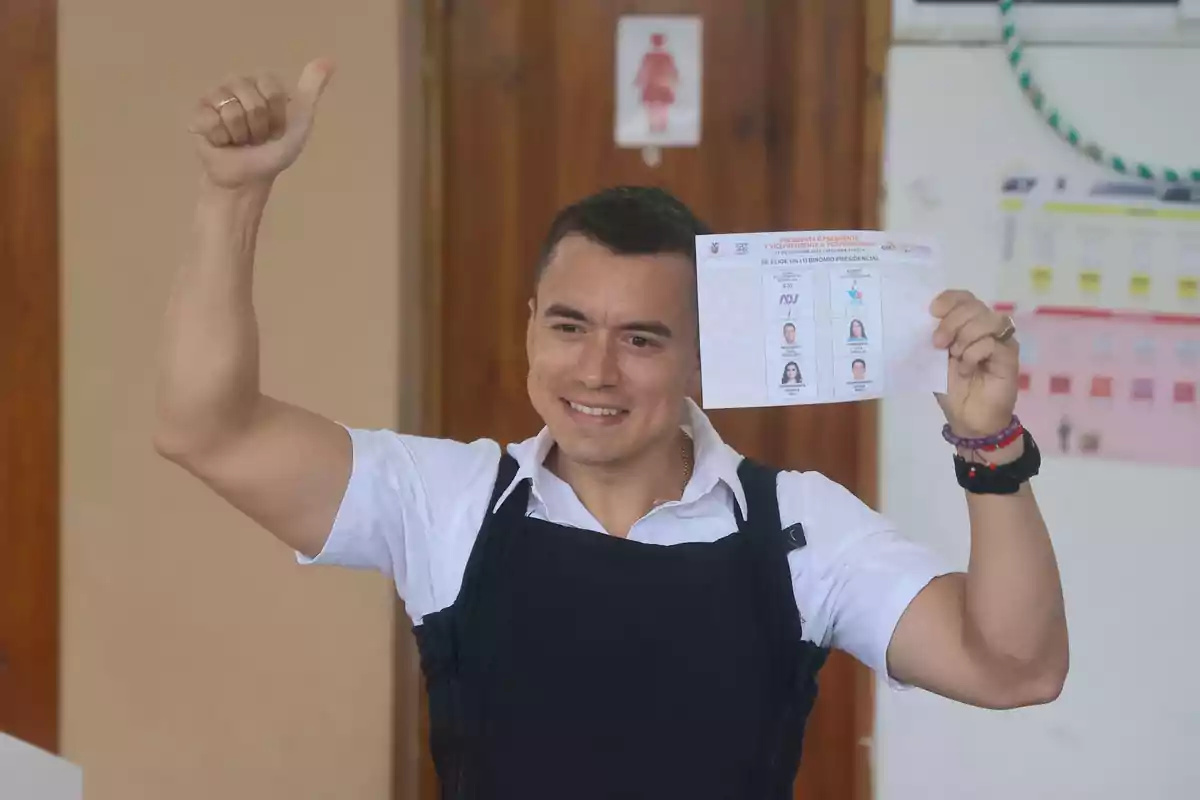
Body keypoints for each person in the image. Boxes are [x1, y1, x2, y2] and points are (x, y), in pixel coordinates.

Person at [156, 60, 1067, 799]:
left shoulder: (800, 529)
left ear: (700, 361)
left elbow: (1015, 668)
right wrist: (233, 194)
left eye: (640, 338)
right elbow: (210, 430)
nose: (594, 371)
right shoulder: (446, 502)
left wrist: (991, 450)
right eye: (568, 327)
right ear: (529, 327)